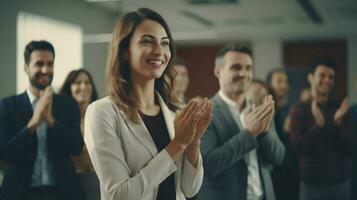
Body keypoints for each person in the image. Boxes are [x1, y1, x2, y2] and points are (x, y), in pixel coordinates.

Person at [84, 8, 213, 200]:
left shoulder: (176, 110)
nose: (159, 51)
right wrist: (178, 144)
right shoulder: (102, 112)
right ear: (125, 51)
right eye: (147, 41)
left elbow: (190, 189)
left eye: (165, 43)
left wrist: (193, 142)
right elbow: (120, 195)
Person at [198, 44, 285, 200]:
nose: (244, 73)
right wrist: (249, 134)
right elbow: (209, 165)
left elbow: (278, 157)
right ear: (218, 71)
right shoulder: (205, 111)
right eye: (236, 67)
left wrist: (264, 132)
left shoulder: (259, 109)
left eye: (248, 68)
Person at [0, 40, 84, 200]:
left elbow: (76, 147)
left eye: (49, 64)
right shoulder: (7, 106)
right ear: (26, 68)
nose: (45, 69)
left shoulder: (68, 104)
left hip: (63, 193)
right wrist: (33, 123)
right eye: (39, 64)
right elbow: (5, 153)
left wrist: (51, 121)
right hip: (20, 194)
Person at [289, 59, 357, 200]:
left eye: (331, 77)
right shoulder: (298, 110)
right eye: (322, 75)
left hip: (340, 183)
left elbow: (351, 147)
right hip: (311, 185)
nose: (327, 80)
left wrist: (337, 124)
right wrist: (318, 127)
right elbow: (297, 148)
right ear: (311, 78)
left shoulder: (341, 109)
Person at [60, 69, 100, 200]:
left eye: (87, 82)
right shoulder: (60, 118)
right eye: (78, 83)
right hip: (68, 180)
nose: (83, 86)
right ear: (69, 87)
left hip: (96, 178)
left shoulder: (101, 115)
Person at [267, 68, 299, 200]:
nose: (284, 85)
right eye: (279, 81)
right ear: (269, 84)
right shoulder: (264, 109)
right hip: (272, 170)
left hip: (292, 168)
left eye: (286, 81)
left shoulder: (292, 109)